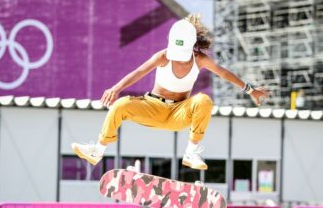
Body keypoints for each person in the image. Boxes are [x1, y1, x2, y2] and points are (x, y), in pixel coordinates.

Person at [71, 14, 269, 170]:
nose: (180, 60)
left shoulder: (200, 59)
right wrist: (116, 88)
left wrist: (250, 89)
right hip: (153, 107)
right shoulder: (163, 56)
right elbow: (138, 72)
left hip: (179, 114)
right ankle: (98, 150)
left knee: (203, 100)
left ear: (192, 47)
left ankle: (191, 153)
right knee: (121, 105)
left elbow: (223, 73)